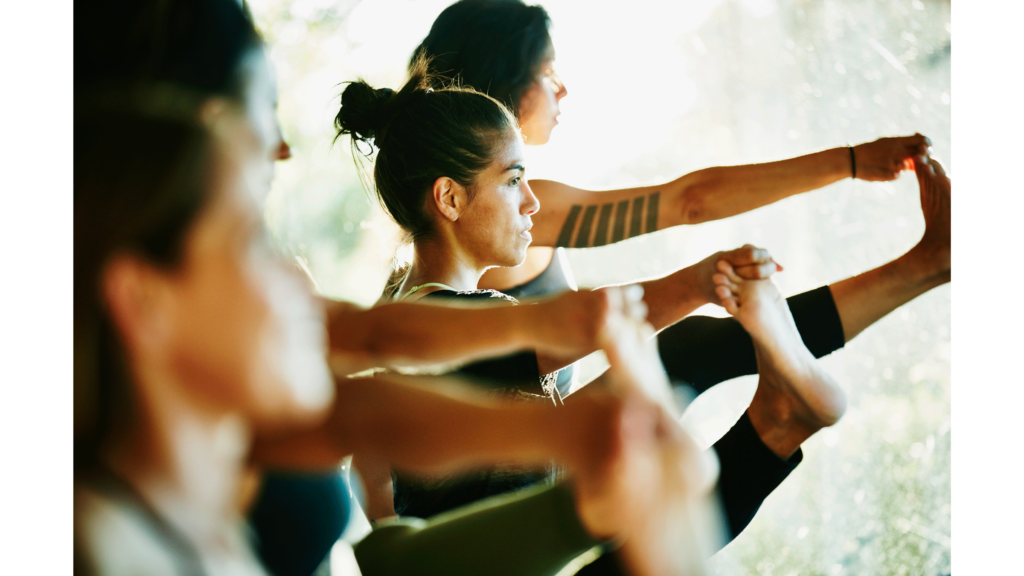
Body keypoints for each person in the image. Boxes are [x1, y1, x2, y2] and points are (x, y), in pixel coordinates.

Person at [73, 100, 729, 576]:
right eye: (249, 243)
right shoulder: (99, 546)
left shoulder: (221, 447)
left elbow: (365, 389)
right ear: (142, 299)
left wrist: (560, 427)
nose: (297, 282)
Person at [332, 64, 898, 572]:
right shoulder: (440, 327)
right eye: (512, 181)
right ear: (449, 200)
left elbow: (374, 469)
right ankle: (779, 424)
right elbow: (578, 325)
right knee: (676, 385)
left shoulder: (408, 311)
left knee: (688, 356)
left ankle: (781, 420)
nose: (532, 203)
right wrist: (697, 282)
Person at [411, 0, 950, 400]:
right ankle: (923, 267)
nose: (564, 90)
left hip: (528, 450)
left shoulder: (451, 209)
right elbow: (689, 202)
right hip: (529, 466)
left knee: (694, 340)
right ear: (504, 82)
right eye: (548, 73)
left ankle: (922, 267)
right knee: (693, 345)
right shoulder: (519, 211)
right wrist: (849, 161)